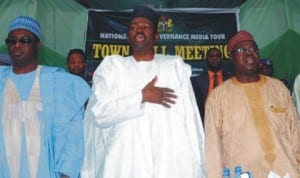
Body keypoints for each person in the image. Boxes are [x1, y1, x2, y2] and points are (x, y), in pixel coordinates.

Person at [81, 6, 205, 178]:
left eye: (145, 26)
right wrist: (141, 96)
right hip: (124, 163)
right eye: (133, 27)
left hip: (169, 163)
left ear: (156, 36)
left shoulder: (174, 67)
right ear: (128, 36)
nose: (139, 29)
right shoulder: (113, 67)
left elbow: (192, 121)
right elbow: (99, 114)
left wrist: (199, 167)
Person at [0, 16, 91, 178]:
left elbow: (74, 135)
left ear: (37, 45)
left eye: (25, 40)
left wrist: (66, 173)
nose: (17, 45)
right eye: (12, 41)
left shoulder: (60, 83)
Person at [205, 30, 300, 177]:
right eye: (242, 50)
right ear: (231, 57)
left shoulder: (278, 88)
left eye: (253, 49)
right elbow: (212, 147)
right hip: (243, 172)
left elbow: (295, 132)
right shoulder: (218, 97)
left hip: (285, 171)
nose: (249, 53)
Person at [191, 47, 232, 123]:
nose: (215, 59)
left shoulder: (231, 79)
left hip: (228, 120)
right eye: (211, 56)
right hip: (206, 121)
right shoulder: (196, 81)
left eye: (217, 56)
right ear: (206, 59)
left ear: (221, 59)